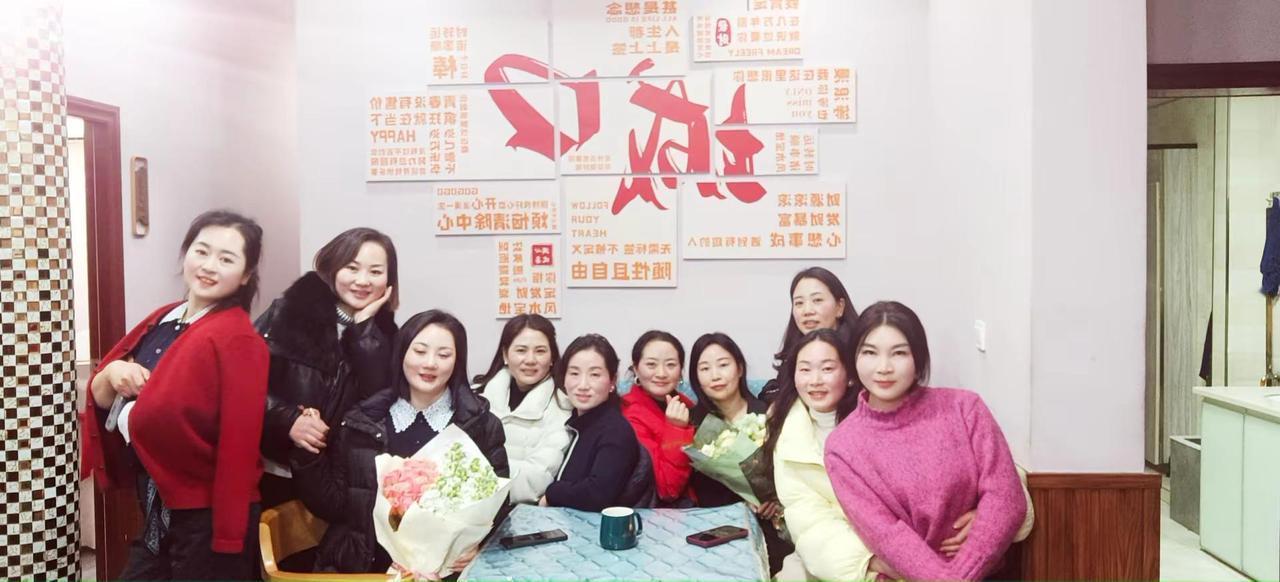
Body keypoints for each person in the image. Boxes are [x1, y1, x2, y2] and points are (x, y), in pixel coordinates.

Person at [81, 210, 269, 580]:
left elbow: (239, 445)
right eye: (202, 251)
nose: (209, 266)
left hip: (209, 516)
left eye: (226, 259)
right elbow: (104, 396)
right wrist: (112, 372)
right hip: (158, 504)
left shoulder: (237, 339)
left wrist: (227, 539)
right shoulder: (165, 318)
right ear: (186, 253)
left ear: (246, 275)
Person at [291, 310, 508, 574]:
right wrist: (307, 452)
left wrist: (478, 546)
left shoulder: (480, 426)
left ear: (457, 362)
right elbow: (335, 505)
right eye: (420, 351)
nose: (430, 363)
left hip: (445, 569)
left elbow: (497, 505)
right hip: (366, 567)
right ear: (402, 353)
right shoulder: (361, 422)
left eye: (443, 355)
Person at [826, 301, 1028, 581]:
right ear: (854, 359)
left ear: (918, 359)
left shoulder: (964, 408)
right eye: (870, 353)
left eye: (899, 353)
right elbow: (887, 536)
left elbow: (1006, 499)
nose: (883, 367)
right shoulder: (842, 447)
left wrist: (962, 574)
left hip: (984, 574)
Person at [256, 227, 399, 507]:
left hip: (338, 482)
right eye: (352, 268)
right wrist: (289, 420)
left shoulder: (387, 338)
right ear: (332, 268)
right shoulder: (288, 312)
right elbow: (239, 383)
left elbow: (375, 406)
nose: (362, 281)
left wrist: (363, 330)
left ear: (389, 279)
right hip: (276, 470)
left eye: (375, 272)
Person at [686, 332, 793, 575]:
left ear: (740, 368)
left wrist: (774, 500)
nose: (715, 375)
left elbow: (791, 470)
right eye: (705, 368)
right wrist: (744, 500)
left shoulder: (769, 415)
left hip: (772, 527)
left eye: (723, 365)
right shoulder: (693, 424)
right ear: (696, 378)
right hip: (716, 528)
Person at [542, 334, 655, 511]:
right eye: (574, 373)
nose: (583, 385)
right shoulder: (573, 421)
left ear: (612, 381)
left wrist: (552, 493)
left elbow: (597, 495)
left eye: (594, 374)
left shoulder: (615, 431)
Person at [472, 314, 571, 504]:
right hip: (466, 506)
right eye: (521, 350)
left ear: (552, 357)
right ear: (505, 355)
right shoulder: (476, 397)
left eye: (540, 351)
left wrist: (477, 479)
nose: (530, 360)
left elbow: (538, 476)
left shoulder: (563, 407)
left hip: (523, 511)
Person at [758, 267, 858, 403]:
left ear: (839, 307)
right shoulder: (795, 350)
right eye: (799, 303)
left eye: (817, 300)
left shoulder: (857, 354)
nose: (807, 311)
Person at [620, 330, 696, 505]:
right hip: (663, 511)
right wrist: (676, 429)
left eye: (670, 365)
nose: (661, 373)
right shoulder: (628, 415)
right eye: (651, 364)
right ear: (636, 368)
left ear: (680, 370)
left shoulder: (686, 404)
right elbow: (668, 490)